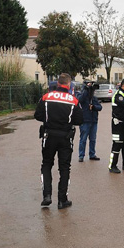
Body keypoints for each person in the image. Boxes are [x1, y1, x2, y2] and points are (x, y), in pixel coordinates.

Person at [34, 73, 83, 209]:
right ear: (68, 84)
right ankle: (62, 200)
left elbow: (37, 115)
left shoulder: (46, 97)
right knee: (64, 167)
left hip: (48, 136)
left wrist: (49, 119)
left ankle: (47, 196)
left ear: (57, 83)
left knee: (46, 165)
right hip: (66, 138)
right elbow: (80, 120)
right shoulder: (73, 100)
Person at [77, 81, 102, 162]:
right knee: (83, 139)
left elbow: (100, 107)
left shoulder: (94, 98)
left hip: (93, 121)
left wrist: (94, 107)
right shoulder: (81, 96)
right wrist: (86, 89)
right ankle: (81, 155)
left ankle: (92, 154)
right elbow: (80, 100)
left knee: (93, 139)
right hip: (85, 120)